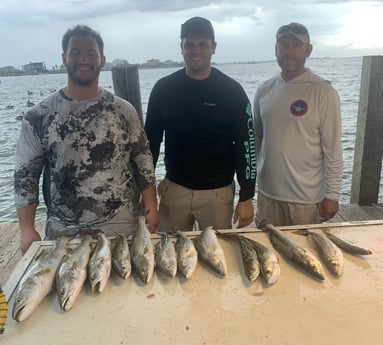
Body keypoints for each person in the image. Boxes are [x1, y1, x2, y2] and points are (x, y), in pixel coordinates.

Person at [14, 25, 158, 255]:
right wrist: (27, 229)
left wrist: (151, 204)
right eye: (76, 52)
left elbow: (142, 159)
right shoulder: (38, 115)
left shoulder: (124, 110)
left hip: (120, 222)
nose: (83, 59)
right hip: (63, 228)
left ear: (102, 59)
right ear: (64, 58)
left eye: (91, 53)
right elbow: (26, 175)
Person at [145, 17, 256, 232]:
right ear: (181, 47)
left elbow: (246, 145)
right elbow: (150, 144)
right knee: (171, 260)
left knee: (218, 258)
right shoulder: (163, 89)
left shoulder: (232, 91)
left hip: (218, 194)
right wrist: (146, 192)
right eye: (189, 44)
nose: (196, 50)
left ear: (213, 47)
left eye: (203, 44)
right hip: (174, 190)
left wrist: (247, 195)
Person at [253, 22, 343, 226]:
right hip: (268, 196)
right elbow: (257, 137)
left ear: (308, 50)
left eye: (296, 45)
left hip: (305, 200)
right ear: (276, 49)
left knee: (306, 256)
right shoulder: (264, 90)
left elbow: (333, 150)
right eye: (283, 45)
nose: (289, 51)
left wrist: (333, 194)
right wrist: (260, 171)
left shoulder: (323, 92)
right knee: (269, 255)